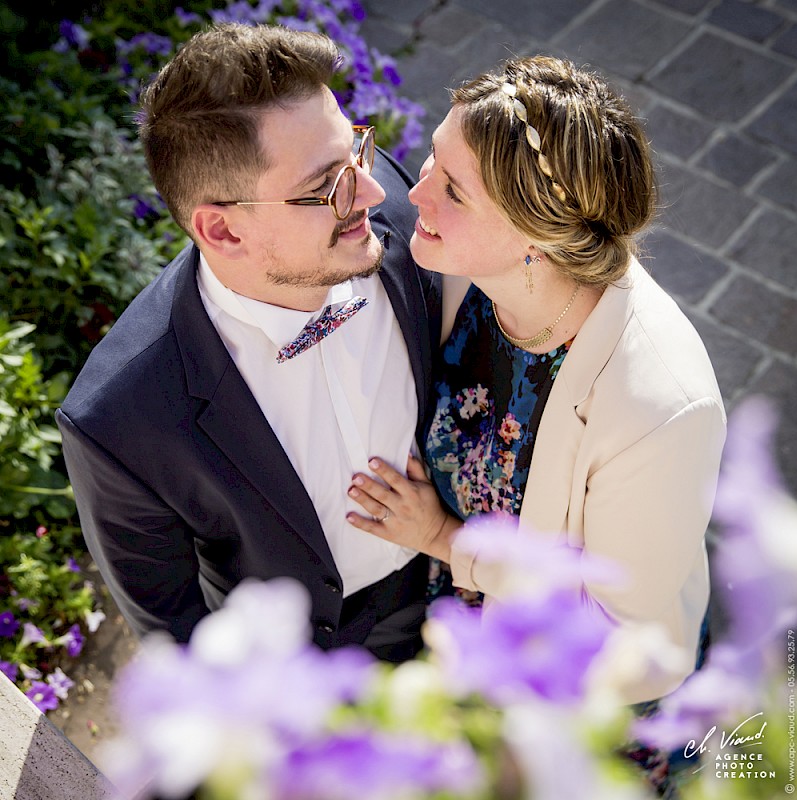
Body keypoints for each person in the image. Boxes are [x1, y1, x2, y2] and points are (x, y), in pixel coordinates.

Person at [345, 55, 727, 704]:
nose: (416, 193)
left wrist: (441, 538)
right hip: (459, 632)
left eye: (454, 191)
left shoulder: (659, 411)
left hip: (574, 698)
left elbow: (615, 634)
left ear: (536, 237)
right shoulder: (462, 271)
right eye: (435, 156)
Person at [55, 23, 441, 663]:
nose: (370, 193)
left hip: (453, 589)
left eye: (357, 152)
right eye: (327, 186)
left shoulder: (392, 213)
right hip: (298, 661)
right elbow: (172, 632)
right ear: (223, 231)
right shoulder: (122, 419)